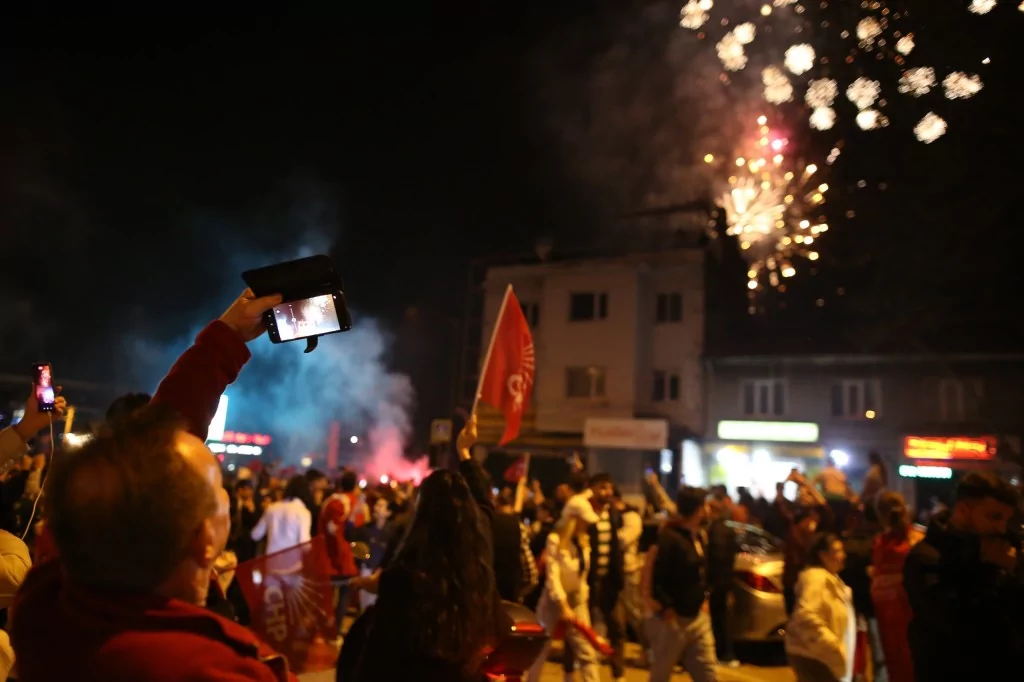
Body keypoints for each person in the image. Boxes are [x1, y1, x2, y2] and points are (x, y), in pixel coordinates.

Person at [11, 405, 298, 681]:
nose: (225, 496)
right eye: (218, 487)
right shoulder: (218, 670)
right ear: (204, 536)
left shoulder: (41, 607)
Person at [338, 416, 507, 682]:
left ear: (422, 513)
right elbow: (485, 504)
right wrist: (465, 454)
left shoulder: (406, 577)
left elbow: (379, 657)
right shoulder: (478, 561)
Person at [904, 471, 1024, 681]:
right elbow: (963, 625)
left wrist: (1016, 572)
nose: (1002, 528)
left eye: (1005, 519)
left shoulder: (1004, 552)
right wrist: (992, 569)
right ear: (961, 512)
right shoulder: (927, 558)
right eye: (994, 517)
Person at [526, 497, 601, 682]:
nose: (587, 524)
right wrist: (562, 605)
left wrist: (580, 600)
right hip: (552, 601)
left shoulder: (584, 542)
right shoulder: (554, 540)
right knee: (540, 649)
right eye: (584, 520)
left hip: (576, 601)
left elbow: (583, 577)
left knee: (587, 652)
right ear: (573, 519)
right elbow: (552, 576)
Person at [647, 486, 717, 682]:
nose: (709, 510)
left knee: (708, 671)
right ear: (697, 510)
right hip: (674, 620)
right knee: (661, 674)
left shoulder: (699, 536)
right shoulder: (670, 538)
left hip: (698, 617)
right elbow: (657, 577)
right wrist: (667, 608)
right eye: (705, 506)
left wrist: (705, 600)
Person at [785, 533, 855, 682]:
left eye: (842, 551)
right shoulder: (816, 579)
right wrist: (833, 646)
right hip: (814, 656)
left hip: (820, 655)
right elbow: (806, 616)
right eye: (837, 551)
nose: (842, 556)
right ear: (822, 555)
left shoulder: (831, 579)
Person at [869, 491, 921, 682]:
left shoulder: (879, 543)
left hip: (887, 612)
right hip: (908, 609)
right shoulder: (915, 539)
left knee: (894, 660)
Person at [585, 472, 626, 682]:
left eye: (608, 488)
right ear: (592, 488)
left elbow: (615, 548)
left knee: (617, 628)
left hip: (609, 582)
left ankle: (617, 674)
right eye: (602, 487)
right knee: (582, 630)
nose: (607, 492)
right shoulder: (584, 512)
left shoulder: (612, 513)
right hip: (587, 581)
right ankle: (572, 671)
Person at [706, 497, 741, 667]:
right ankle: (726, 653)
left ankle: (724, 653)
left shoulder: (716, 530)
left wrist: (710, 582)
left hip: (718, 582)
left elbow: (716, 558)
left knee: (718, 618)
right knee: (722, 618)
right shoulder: (727, 530)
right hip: (725, 581)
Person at [251, 475, 313, 555]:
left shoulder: (272, 508)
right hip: (293, 563)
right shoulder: (303, 512)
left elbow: (255, 535)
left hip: (271, 562)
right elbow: (304, 542)